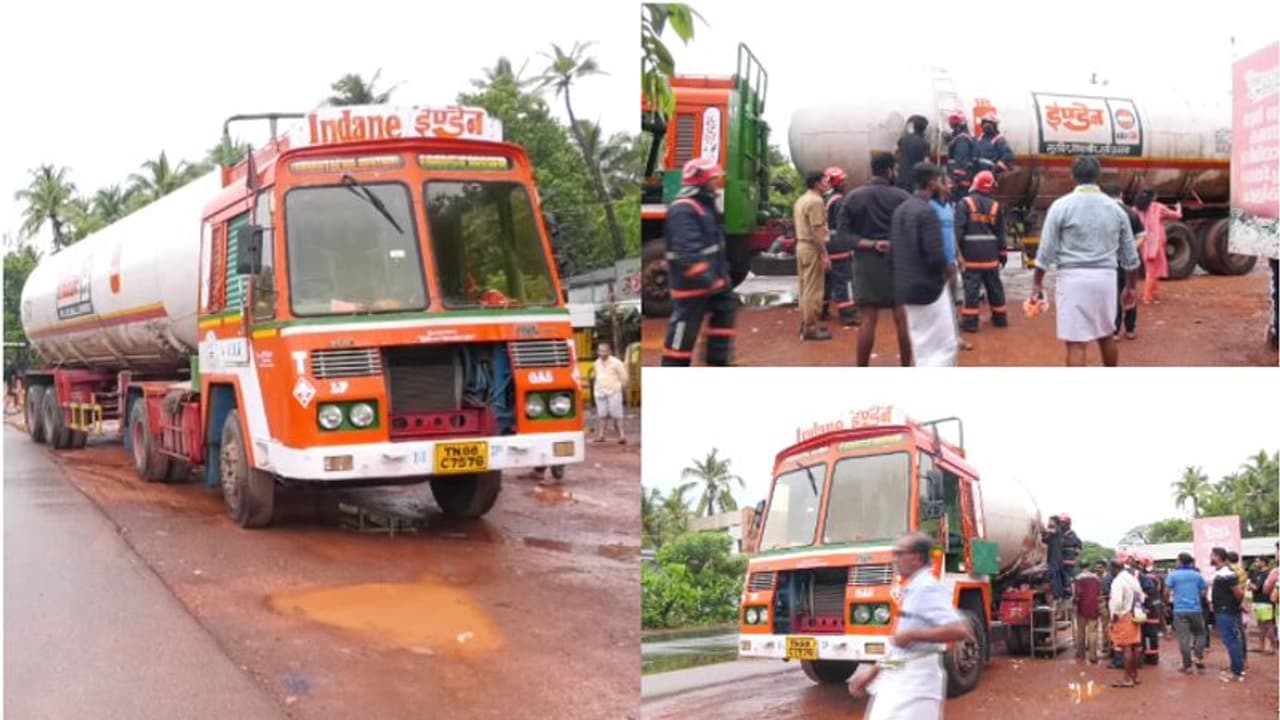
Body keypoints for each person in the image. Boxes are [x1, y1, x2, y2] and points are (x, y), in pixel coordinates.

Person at [848, 532, 973, 719]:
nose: (894, 559)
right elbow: (899, 645)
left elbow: (959, 630)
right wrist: (872, 672)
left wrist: (914, 635)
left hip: (919, 681)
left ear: (916, 558)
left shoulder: (927, 587)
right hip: (901, 677)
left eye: (900, 554)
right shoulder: (912, 588)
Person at [1032, 155, 1141, 366]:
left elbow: (1045, 251)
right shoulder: (1116, 210)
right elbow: (1131, 258)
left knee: (1076, 342)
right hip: (1106, 279)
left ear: (1072, 175)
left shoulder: (1060, 207)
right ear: (1098, 176)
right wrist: (1130, 288)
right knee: (1106, 335)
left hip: (1072, 279)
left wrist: (1037, 283)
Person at [838, 152, 914, 366]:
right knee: (902, 318)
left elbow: (843, 237)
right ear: (890, 171)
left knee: (868, 319)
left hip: (866, 263)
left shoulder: (853, 197)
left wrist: (872, 244)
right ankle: (906, 368)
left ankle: (862, 370)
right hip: (898, 263)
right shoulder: (904, 197)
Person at [661, 158, 737, 366]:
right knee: (681, 336)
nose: (717, 182)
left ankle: (717, 361)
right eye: (713, 178)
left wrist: (721, 280)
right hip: (692, 289)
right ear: (701, 180)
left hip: (713, 284)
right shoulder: (683, 209)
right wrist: (709, 280)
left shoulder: (705, 204)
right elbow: (687, 253)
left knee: (726, 312)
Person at [890, 162, 957, 367]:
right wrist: (949, 272)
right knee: (944, 347)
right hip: (929, 290)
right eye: (938, 180)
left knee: (921, 345)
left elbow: (894, 251)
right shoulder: (926, 212)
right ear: (932, 183)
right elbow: (935, 255)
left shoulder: (901, 210)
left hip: (906, 288)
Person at [955, 170, 1008, 333]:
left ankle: (970, 322)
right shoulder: (995, 205)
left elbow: (958, 231)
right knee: (994, 286)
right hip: (991, 256)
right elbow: (1000, 232)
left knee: (971, 288)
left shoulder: (964, 203)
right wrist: (1003, 253)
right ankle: (1000, 318)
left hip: (971, 256)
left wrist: (957, 253)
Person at [794, 171, 832, 341]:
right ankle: (810, 327)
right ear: (816, 184)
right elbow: (817, 231)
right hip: (812, 247)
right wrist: (824, 255)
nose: (827, 184)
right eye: (824, 181)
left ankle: (806, 323)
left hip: (801, 246)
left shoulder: (802, 199)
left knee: (805, 287)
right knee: (814, 289)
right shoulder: (816, 201)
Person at [1103, 184, 1144, 339]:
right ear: (1120, 194)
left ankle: (1115, 331)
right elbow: (1142, 235)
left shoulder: (1103, 213)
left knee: (1114, 294)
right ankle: (1130, 329)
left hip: (1110, 261)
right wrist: (1130, 249)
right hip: (1129, 262)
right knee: (1130, 291)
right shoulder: (1131, 212)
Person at [823, 166, 858, 327]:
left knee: (827, 279)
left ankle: (822, 310)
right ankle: (847, 314)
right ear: (836, 182)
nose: (845, 183)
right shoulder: (840, 201)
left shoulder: (825, 198)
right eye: (842, 181)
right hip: (838, 243)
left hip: (827, 242)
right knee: (844, 278)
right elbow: (843, 224)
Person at [1133, 188, 1182, 305]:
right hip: (1156, 243)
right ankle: (1148, 296)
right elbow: (1177, 216)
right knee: (1152, 271)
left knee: (1151, 270)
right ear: (1153, 197)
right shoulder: (1158, 207)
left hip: (1143, 242)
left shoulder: (1136, 209)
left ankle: (1153, 295)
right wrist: (1178, 207)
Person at [1166, 552, 1209, 672]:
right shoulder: (1197, 575)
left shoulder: (1173, 575)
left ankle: (1187, 665)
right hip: (1196, 609)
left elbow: (1166, 591)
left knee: (1183, 638)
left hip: (1179, 609)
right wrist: (1197, 597)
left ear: (1179, 561)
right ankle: (1198, 657)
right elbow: (1204, 591)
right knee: (1200, 634)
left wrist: (1166, 604)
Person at [1210, 547, 1246, 682]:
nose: (1210, 558)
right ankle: (1236, 668)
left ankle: (1237, 672)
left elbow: (1239, 593)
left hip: (1227, 611)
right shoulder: (1223, 573)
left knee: (1231, 640)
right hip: (1225, 610)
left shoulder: (1227, 573)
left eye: (1212, 556)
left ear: (1218, 557)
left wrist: (1234, 605)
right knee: (1230, 640)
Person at [1108, 555, 1144, 688]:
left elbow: (1117, 601)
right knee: (1134, 647)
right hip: (1135, 614)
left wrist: (1115, 616)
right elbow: (1141, 595)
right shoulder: (1132, 579)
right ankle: (1134, 676)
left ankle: (1127, 679)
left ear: (1114, 568)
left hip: (1124, 616)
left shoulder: (1118, 581)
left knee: (1126, 648)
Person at [591, 342, 628, 444]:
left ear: (609, 351)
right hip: (600, 391)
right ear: (598, 352)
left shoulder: (616, 363)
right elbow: (596, 375)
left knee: (617, 414)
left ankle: (622, 436)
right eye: (600, 351)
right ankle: (601, 435)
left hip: (614, 391)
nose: (602, 353)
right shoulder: (596, 363)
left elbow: (624, 378)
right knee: (601, 414)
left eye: (604, 350)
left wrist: (620, 388)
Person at [1073, 563, 1102, 663]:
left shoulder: (1078, 578)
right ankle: (1093, 656)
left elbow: (1078, 594)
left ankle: (1081, 653)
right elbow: (1099, 592)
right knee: (1093, 631)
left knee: (1081, 631)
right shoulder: (1096, 578)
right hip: (1094, 607)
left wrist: (1075, 605)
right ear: (1089, 567)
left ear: (1081, 568)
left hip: (1082, 608)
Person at [895, 115, 931, 192]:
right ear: (924, 129)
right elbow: (926, 163)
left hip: (901, 177)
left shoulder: (903, 138)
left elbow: (895, 153)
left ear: (914, 126)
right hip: (914, 181)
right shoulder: (925, 143)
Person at [946, 112, 976, 201]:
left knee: (960, 203)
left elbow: (961, 159)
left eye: (953, 124)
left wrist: (956, 179)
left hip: (961, 181)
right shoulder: (960, 137)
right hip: (963, 179)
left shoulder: (962, 139)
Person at [1227, 550, 1250, 668]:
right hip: (1239, 601)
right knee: (1239, 631)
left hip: (1232, 603)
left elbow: (1233, 588)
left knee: (1234, 632)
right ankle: (1243, 658)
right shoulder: (1242, 570)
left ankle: (1238, 661)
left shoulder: (1231, 571)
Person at [1248, 558, 1275, 654]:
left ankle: (1273, 647)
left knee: (1268, 625)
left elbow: (1255, 587)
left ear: (1264, 562)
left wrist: (1251, 585)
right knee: (1260, 625)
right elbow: (1251, 587)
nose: (1255, 563)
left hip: (1266, 602)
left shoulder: (1268, 573)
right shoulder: (1255, 573)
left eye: (1257, 561)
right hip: (1256, 601)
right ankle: (1261, 646)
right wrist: (1251, 586)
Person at [1096, 561, 1114, 661]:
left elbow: (1112, 591)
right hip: (1096, 603)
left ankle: (1107, 646)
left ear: (1104, 568)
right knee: (1098, 625)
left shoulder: (1110, 578)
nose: (1097, 570)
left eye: (1099, 568)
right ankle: (1104, 644)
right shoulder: (1095, 577)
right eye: (1097, 568)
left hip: (1106, 603)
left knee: (1106, 626)